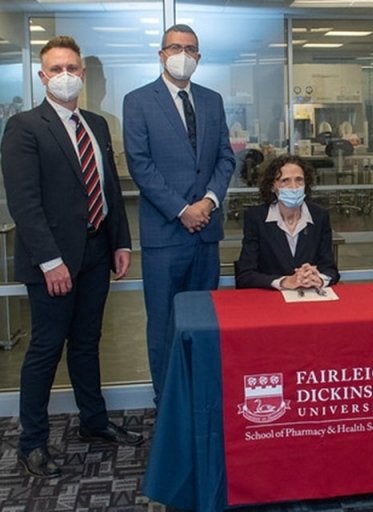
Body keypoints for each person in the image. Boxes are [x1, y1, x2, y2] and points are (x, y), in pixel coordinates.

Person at [1, 36, 142, 478]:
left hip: (97, 252)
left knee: (86, 343)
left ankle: (94, 422)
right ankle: (33, 442)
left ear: (83, 74)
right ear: (43, 76)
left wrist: (121, 242)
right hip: (52, 263)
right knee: (45, 349)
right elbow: (24, 203)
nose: (66, 75)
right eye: (56, 69)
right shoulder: (24, 126)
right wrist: (49, 262)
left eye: (73, 68)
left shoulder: (97, 125)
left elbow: (109, 190)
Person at [123, 24, 235, 402]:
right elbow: (140, 165)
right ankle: (167, 404)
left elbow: (224, 157)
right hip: (165, 236)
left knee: (205, 322)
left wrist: (208, 202)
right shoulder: (138, 101)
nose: (182, 54)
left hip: (206, 233)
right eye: (175, 47)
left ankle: (202, 399)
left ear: (199, 57)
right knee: (164, 326)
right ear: (161, 54)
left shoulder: (212, 100)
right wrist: (181, 209)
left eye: (190, 49)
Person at [235, 154, 340, 289]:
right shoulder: (256, 218)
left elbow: (331, 270)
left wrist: (319, 279)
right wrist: (284, 282)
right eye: (285, 181)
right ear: (273, 186)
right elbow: (245, 275)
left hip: (308, 297)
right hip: (270, 300)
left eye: (299, 180)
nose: (294, 187)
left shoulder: (319, 216)